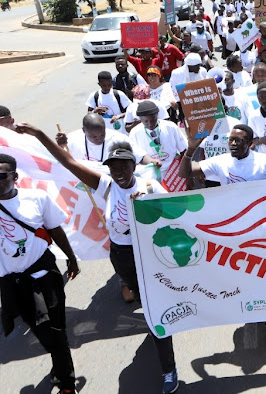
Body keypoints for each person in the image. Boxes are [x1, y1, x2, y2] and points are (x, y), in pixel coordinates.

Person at [18, 127, 180, 393]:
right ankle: (154, 324)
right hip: (122, 257)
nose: (117, 171)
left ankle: (168, 369)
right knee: (142, 299)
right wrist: (38, 134)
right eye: (112, 166)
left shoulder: (151, 187)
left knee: (154, 311)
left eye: (122, 166)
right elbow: (67, 162)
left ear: (133, 165)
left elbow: (174, 217)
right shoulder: (105, 185)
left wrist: (150, 204)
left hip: (149, 255)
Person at [178, 124, 266, 352]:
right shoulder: (222, 161)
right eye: (231, 140)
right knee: (245, 277)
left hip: (264, 234)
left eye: (238, 141)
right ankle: (251, 310)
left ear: (251, 144)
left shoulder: (265, 162)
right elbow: (185, 173)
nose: (233, 144)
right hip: (234, 235)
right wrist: (189, 150)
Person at [0, 152, 80, 394]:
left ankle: (67, 384)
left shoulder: (36, 199)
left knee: (55, 329)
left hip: (43, 276)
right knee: (38, 329)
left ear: (14, 176)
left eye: (1, 175)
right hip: (13, 282)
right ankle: (59, 361)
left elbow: (55, 230)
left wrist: (71, 259)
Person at [128, 101, 187, 175]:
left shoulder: (171, 127)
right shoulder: (135, 133)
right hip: (150, 174)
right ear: (140, 119)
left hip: (173, 172)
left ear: (157, 115)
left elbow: (184, 151)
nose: (150, 124)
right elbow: (134, 157)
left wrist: (187, 174)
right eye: (146, 121)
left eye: (153, 120)